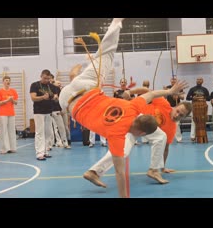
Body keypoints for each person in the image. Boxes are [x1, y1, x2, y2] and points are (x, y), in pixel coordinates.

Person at [59, 18, 185, 198]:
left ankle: (116, 22)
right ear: (141, 133)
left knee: (107, 55)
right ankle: (72, 78)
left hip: (85, 86)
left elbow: (148, 95)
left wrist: (169, 91)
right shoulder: (117, 135)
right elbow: (119, 173)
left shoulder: (133, 107)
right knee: (104, 62)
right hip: (68, 102)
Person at [82, 93, 192, 189]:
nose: (177, 115)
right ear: (175, 106)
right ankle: (153, 170)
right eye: (177, 111)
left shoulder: (172, 128)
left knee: (123, 152)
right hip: (134, 117)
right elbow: (146, 92)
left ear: (185, 117)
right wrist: (130, 92)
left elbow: (165, 148)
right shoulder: (164, 103)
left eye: (181, 115)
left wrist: (163, 167)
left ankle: (93, 172)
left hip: (137, 130)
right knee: (160, 136)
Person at [30, 69, 59, 160]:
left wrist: (55, 97)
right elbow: (33, 98)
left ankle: (46, 151)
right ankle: (39, 153)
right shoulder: (35, 85)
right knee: (40, 132)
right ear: (41, 76)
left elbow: (56, 98)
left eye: (48, 79)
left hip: (49, 111)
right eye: (45, 78)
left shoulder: (51, 86)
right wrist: (42, 97)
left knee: (48, 133)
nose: (46, 80)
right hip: (39, 112)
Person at [0, 76, 18, 154]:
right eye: (6, 80)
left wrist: (12, 100)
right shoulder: (0, 91)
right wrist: (6, 100)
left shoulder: (13, 91)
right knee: (3, 131)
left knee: (12, 130)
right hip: (3, 113)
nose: (7, 81)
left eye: (9, 80)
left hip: (11, 113)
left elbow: (16, 102)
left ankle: (12, 147)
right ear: (3, 82)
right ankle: (4, 148)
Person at [186, 77, 210, 141]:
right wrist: (193, 98)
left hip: (202, 107)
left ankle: (202, 134)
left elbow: (208, 98)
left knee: (202, 121)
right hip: (195, 107)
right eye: (197, 79)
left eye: (200, 79)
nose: (199, 80)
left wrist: (202, 97)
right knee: (194, 121)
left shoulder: (205, 89)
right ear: (196, 81)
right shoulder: (192, 89)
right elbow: (187, 98)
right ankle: (193, 136)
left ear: (202, 81)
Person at [165, 76, 185, 143]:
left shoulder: (179, 88)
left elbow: (182, 97)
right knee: (167, 123)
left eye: (175, 80)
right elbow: (164, 96)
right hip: (169, 107)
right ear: (170, 81)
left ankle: (179, 138)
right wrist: (166, 91)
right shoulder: (168, 87)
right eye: (172, 80)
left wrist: (177, 94)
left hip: (177, 107)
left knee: (176, 123)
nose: (173, 81)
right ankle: (168, 138)